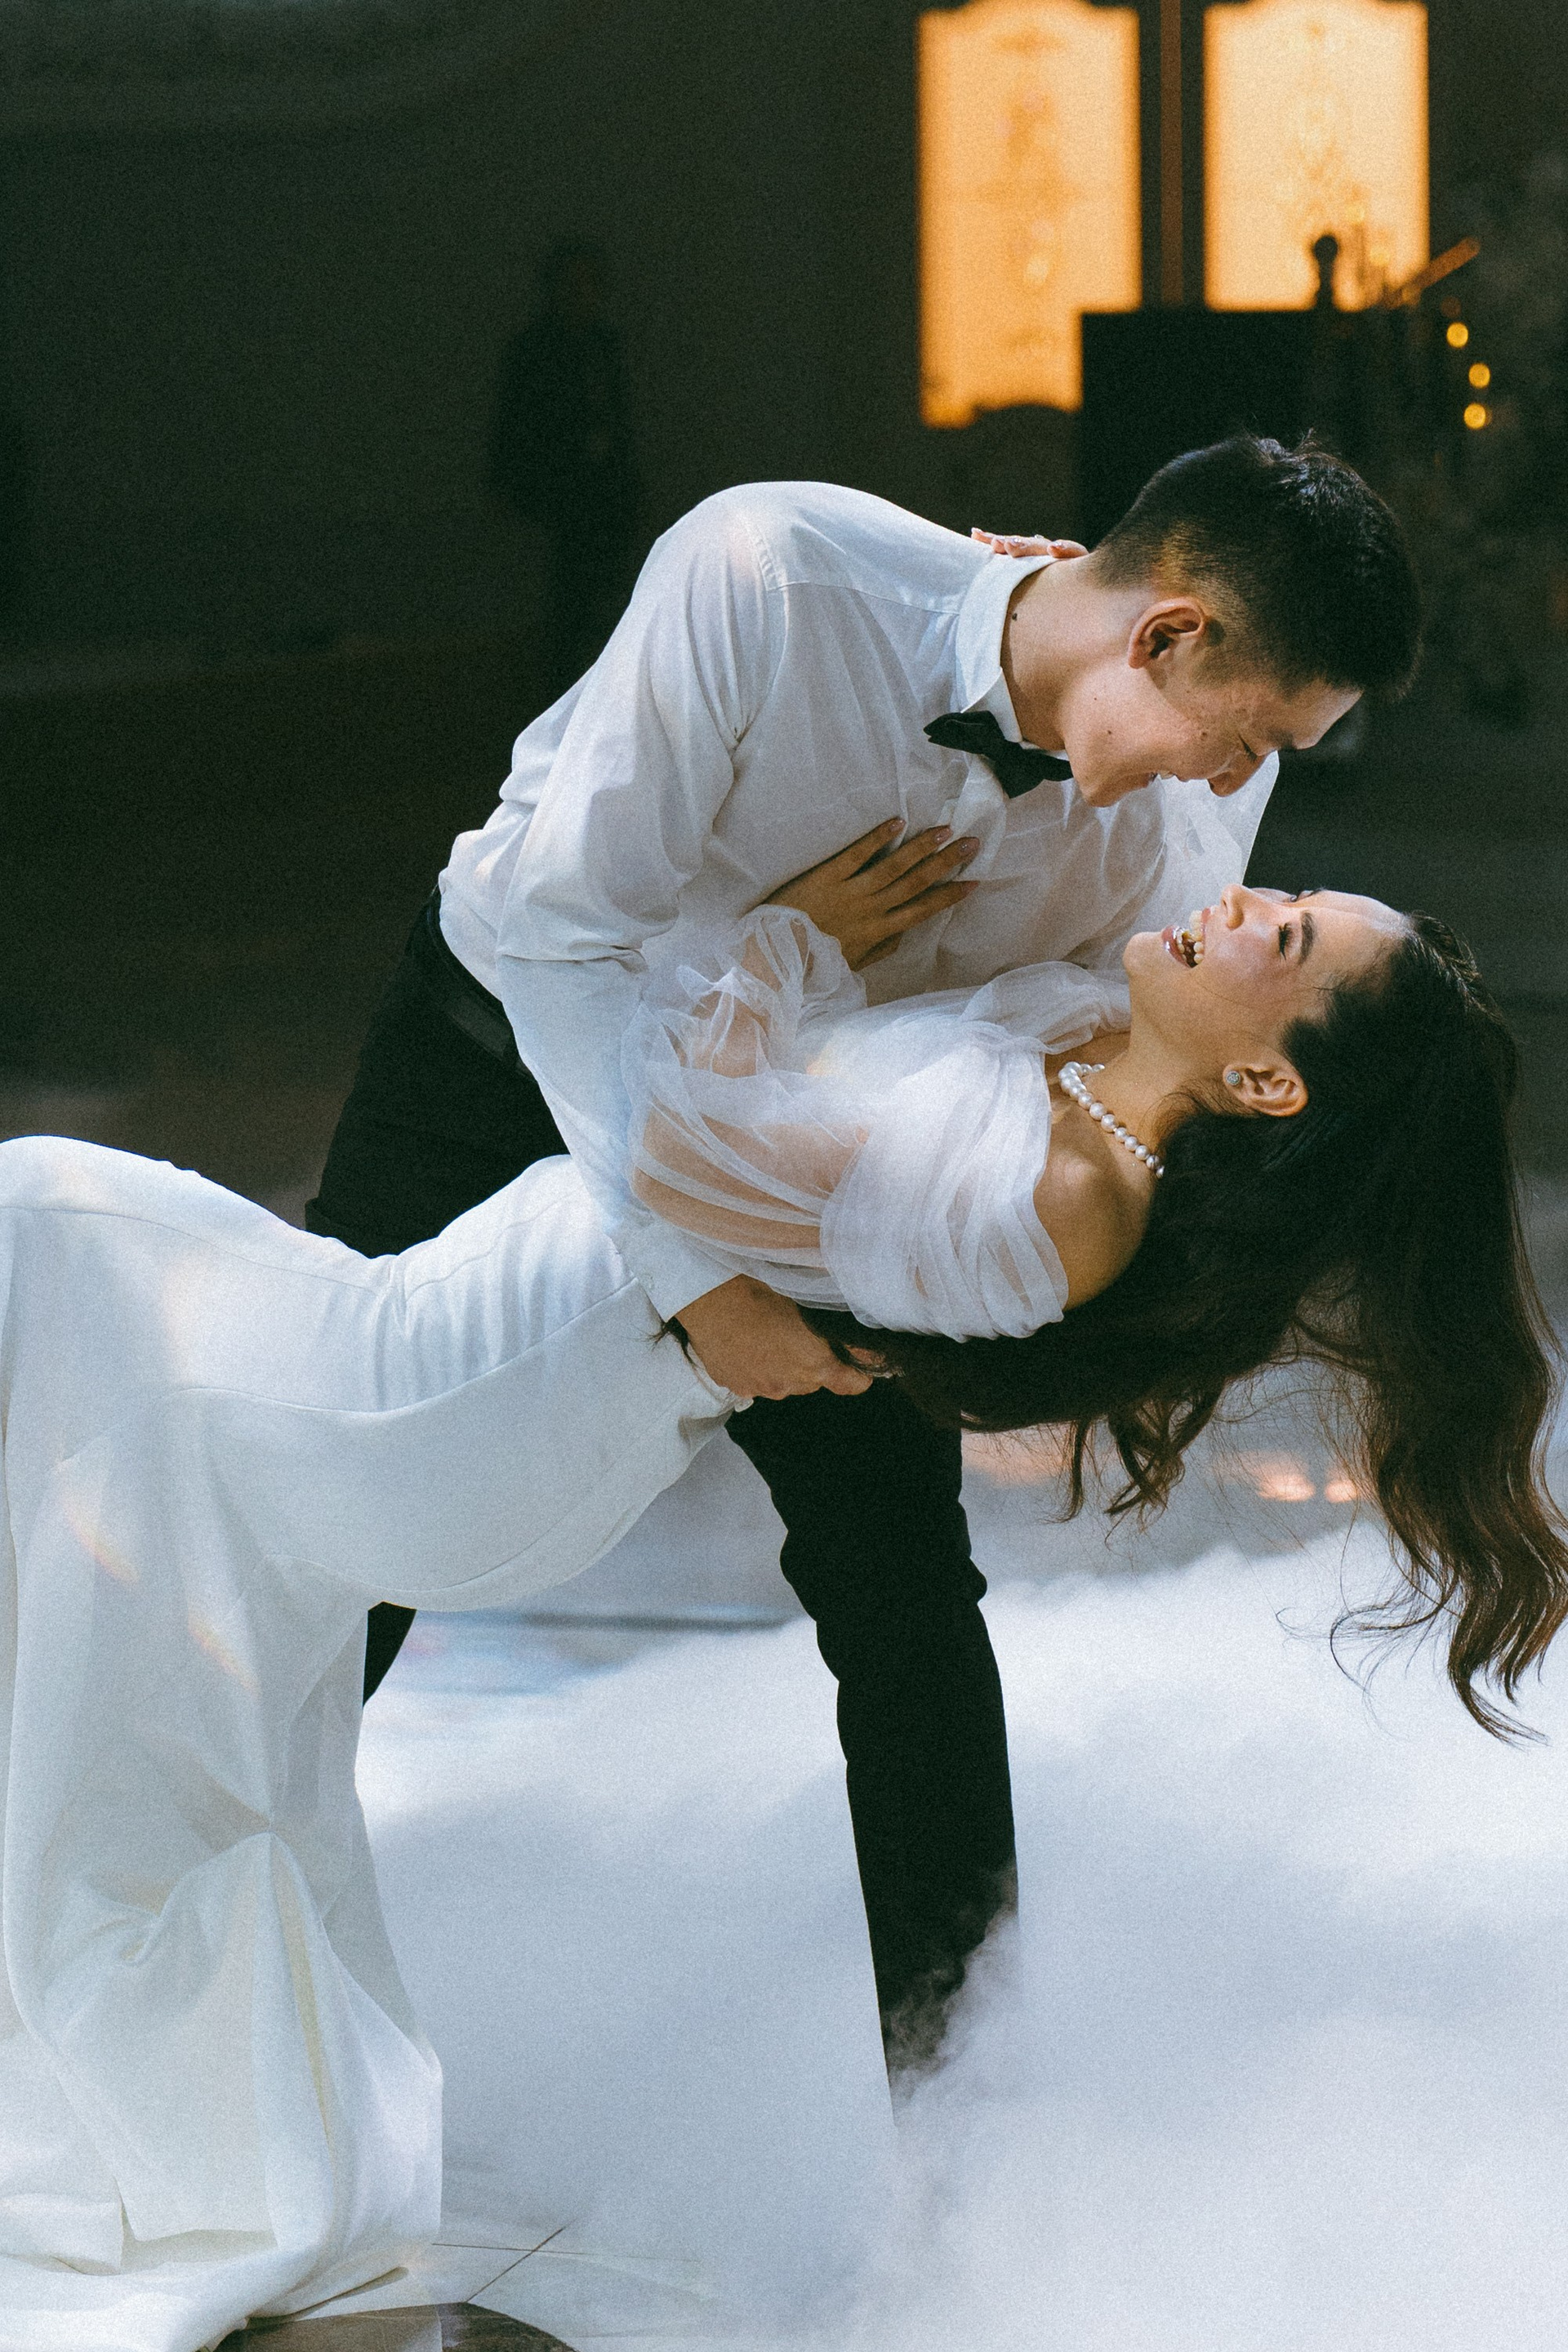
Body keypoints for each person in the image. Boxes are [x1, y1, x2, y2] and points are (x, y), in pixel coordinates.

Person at [0, 852, 1561, 2350]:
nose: (1242, 899)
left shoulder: (1066, 1198)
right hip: (468, 1339)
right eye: (1287, 895)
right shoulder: (1079, 1088)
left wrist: (783, 938)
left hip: (463, 1398)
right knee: (63, 1282)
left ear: (1269, 1082)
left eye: (1284, 935)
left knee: (51, 1231)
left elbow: (684, 1156)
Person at [308, 434, 1424, 2060]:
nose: (1231, 783)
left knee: (900, 1598)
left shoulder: (1200, 773)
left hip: (826, 1154)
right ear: (1169, 633)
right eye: (1241, 736)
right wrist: (698, 1284)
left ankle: (964, 2124)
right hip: (510, 1047)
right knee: (348, 1497)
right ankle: (137, 1932)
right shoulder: (768, 577)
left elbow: (1102, 1018)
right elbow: (562, 941)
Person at [489, 238, 643, 697]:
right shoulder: (534, 350)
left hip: (604, 499)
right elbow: (516, 428)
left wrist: (627, 488)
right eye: (573, 284)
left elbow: (618, 424)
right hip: (555, 501)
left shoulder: (604, 346)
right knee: (562, 616)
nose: (581, 294)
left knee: (603, 609)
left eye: (589, 284)